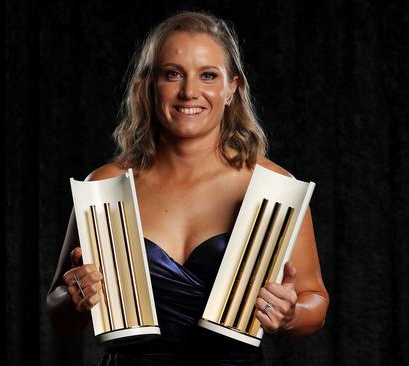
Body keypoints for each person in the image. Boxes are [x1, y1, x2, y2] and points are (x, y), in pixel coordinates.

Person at [46, 11, 329, 365]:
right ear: (149, 85)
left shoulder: (275, 188)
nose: (189, 91)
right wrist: (73, 296)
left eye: (208, 75)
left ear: (231, 89)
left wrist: (291, 313)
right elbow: (59, 313)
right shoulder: (105, 186)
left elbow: (314, 300)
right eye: (172, 74)